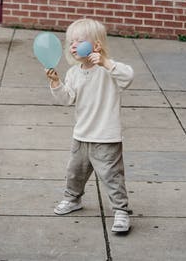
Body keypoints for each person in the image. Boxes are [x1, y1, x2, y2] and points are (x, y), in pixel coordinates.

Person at [45, 18, 134, 233]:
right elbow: (67, 99)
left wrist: (106, 62)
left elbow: (128, 76)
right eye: (70, 41)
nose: (73, 45)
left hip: (106, 136)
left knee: (112, 177)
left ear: (96, 45)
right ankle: (72, 199)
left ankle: (121, 211)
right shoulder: (74, 73)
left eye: (79, 40)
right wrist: (56, 84)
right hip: (82, 135)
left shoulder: (108, 71)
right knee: (75, 172)